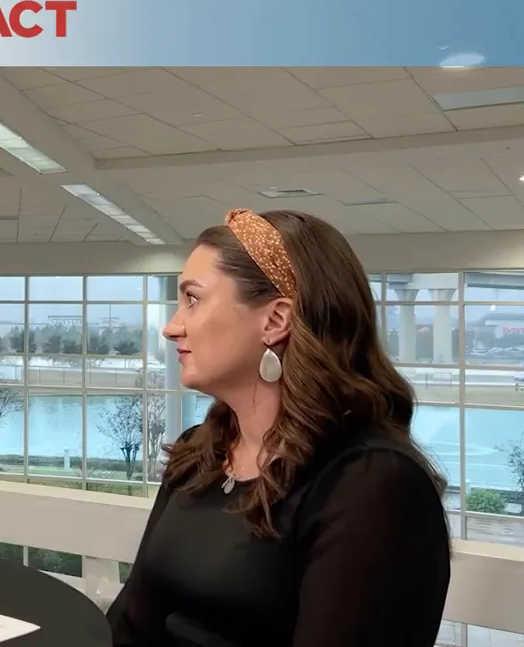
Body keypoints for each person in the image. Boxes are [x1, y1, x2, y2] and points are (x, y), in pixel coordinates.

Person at [107, 209, 450, 647]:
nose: (172, 327)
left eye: (193, 299)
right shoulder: (200, 453)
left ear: (275, 321)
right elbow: (130, 622)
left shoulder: (373, 486)